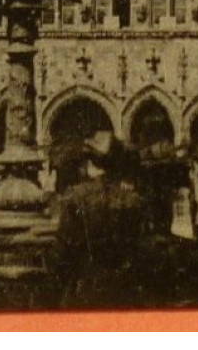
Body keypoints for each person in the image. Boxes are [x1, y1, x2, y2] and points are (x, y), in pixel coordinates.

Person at [53, 131, 147, 308]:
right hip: (125, 291)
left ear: (89, 162)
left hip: (87, 289)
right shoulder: (133, 199)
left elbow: (63, 252)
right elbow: (141, 247)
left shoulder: (75, 197)